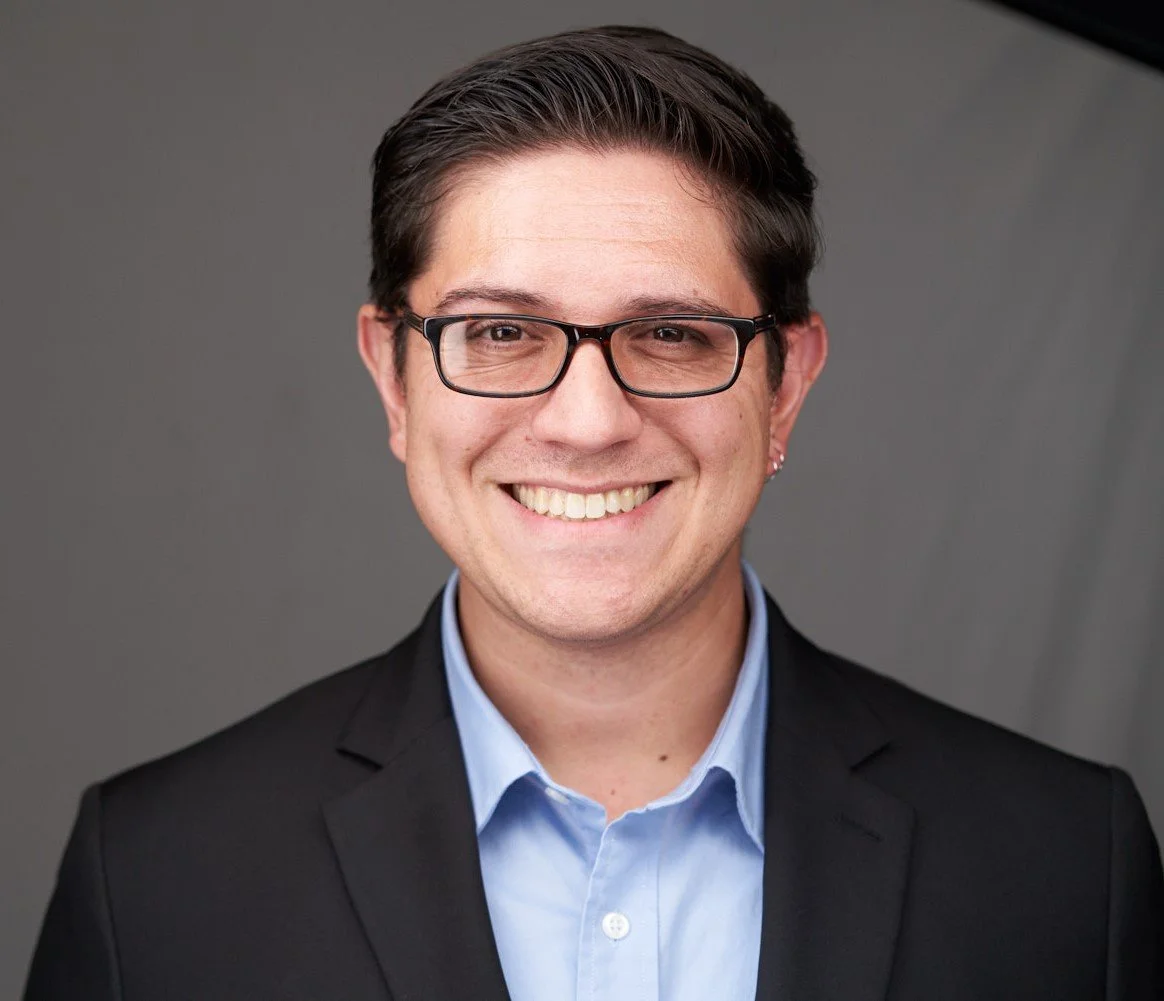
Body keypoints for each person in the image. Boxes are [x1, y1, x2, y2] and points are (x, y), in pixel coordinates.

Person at [24, 24, 1163, 1001]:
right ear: (393, 377)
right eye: (502, 333)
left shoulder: (1068, 864)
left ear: (788, 383)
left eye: (671, 333)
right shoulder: (156, 876)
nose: (585, 421)